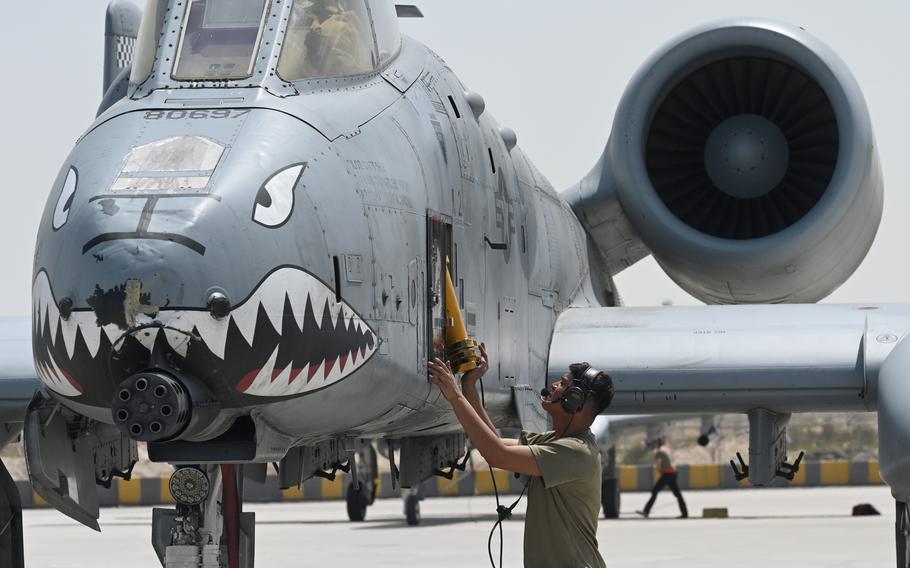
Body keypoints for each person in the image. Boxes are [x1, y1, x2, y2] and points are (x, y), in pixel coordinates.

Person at [428, 345, 614, 568]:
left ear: (575, 400)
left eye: (563, 384)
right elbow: (493, 444)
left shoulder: (576, 451)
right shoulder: (554, 442)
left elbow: (498, 455)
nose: (554, 386)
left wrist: (454, 395)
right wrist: (469, 385)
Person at [636, 438, 688, 519]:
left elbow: (659, 464)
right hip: (673, 473)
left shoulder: (659, 452)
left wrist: (659, 472)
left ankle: (646, 511)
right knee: (678, 494)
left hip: (667, 474)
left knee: (655, 491)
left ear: (656, 445)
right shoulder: (665, 450)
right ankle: (685, 513)